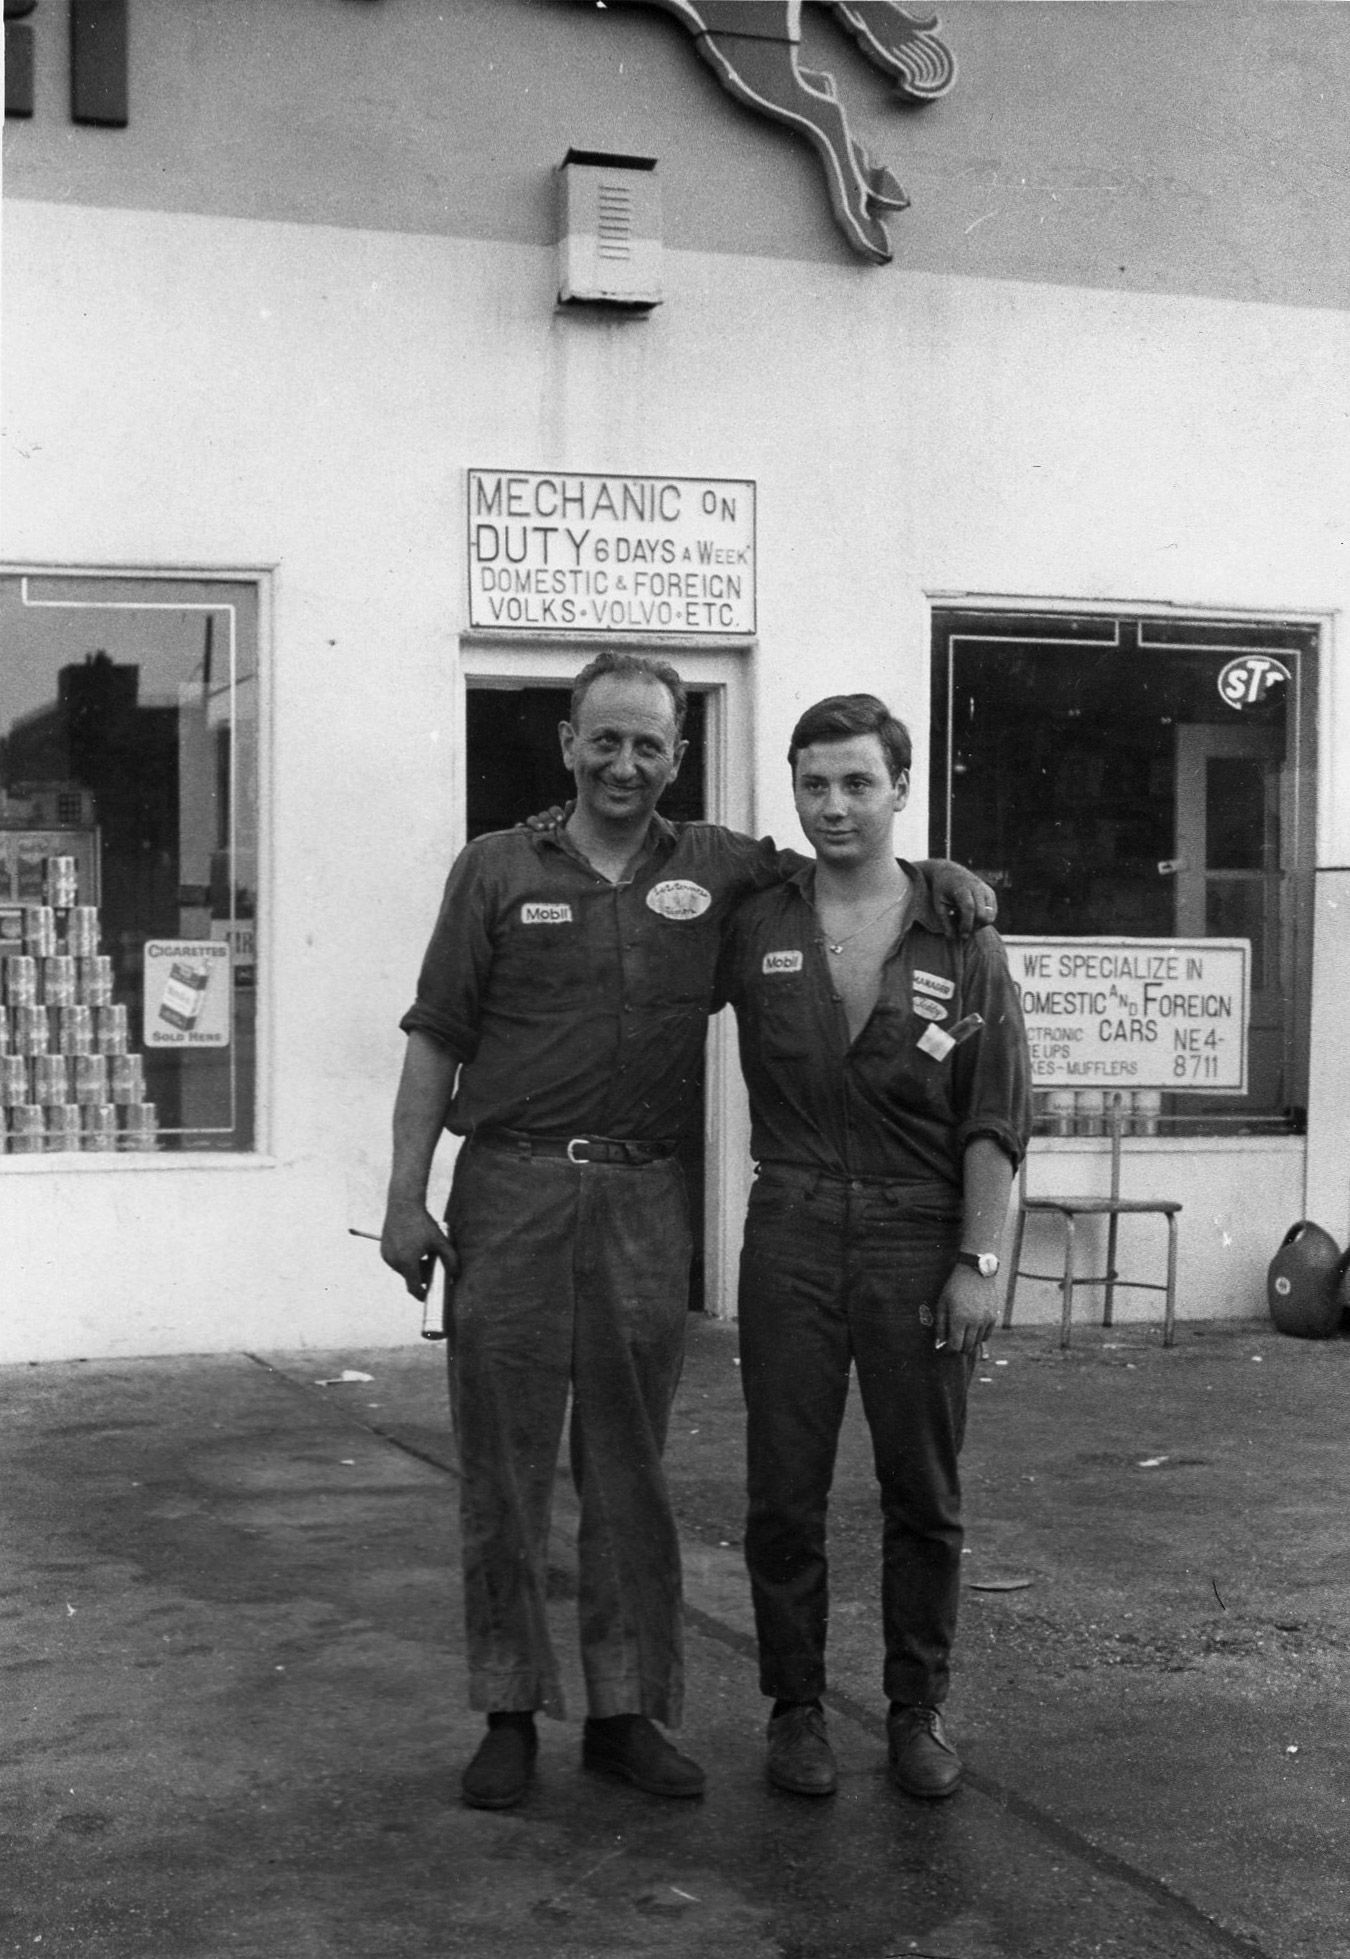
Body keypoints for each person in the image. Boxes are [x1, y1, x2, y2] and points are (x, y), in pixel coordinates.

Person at [381, 651, 995, 1811]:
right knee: (505, 1467)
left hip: (643, 1202)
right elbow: (435, 1035)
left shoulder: (721, 870)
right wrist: (405, 1198)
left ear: (679, 755)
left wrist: (941, 875)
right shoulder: (494, 869)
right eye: (605, 740)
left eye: (649, 745)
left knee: (629, 1471)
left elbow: (841, 864)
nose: (625, 764)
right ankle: (509, 1715)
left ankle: (625, 1715)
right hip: (510, 1195)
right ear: (566, 744)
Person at [716, 693, 1031, 1803]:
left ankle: (915, 1710)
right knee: (783, 1491)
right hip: (792, 1229)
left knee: (923, 1492)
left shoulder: (959, 931)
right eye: (815, 783)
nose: (836, 805)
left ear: (900, 787)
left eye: (858, 782)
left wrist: (978, 1262)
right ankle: (796, 1709)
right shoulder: (757, 919)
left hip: (917, 1235)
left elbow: (995, 1114)